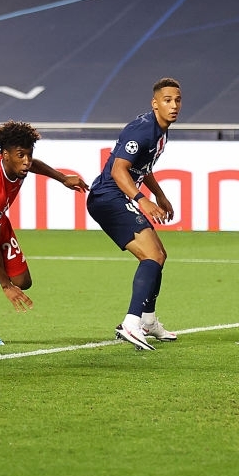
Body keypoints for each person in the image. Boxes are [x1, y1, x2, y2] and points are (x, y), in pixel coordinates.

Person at [0, 120, 89, 345]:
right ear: (5, 155)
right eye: (21, 156)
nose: (26, 162)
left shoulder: (13, 163)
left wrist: (63, 178)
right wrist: (5, 286)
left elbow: (33, 165)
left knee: (23, 281)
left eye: (29, 155)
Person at [86, 77, 182, 351]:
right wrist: (142, 199)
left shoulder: (160, 131)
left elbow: (142, 167)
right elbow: (119, 170)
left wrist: (160, 195)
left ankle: (149, 321)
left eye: (177, 100)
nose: (173, 105)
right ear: (155, 104)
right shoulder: (142, 130)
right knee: (152, 255)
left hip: (115, 196)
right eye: (167, 100)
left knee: (158, 255)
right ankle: (131, 322)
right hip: (108, 197)